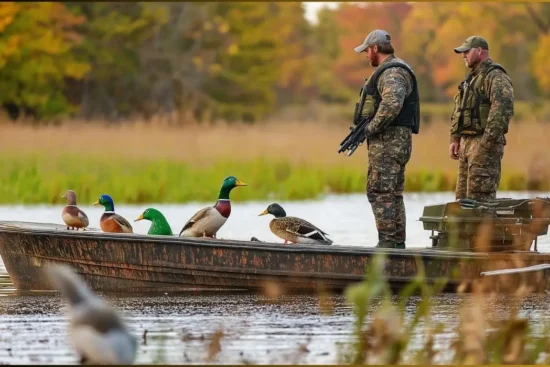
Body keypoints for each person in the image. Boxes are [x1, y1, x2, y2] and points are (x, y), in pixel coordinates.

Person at [353, 29, 420, 249]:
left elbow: (392, 104)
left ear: (374, 49)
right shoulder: (394, 69)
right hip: (395, 142)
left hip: (389, 142)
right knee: (391, 193)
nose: (366, 55)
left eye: (366, 51)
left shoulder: (391, 73)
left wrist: (370, 128)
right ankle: (395, 245)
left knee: (380, 191)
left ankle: (389, 245)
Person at [449, 36, 514, 202]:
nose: (463, 56)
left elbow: (501, 111)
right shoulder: (470, 80)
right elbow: (459, 110)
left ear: (479, 51)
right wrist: (455, 139)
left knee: (480, 202)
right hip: (466, 145)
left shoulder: (495, 76)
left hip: (484, 146)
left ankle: (485, 229)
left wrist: (485, 145)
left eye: (466, 51)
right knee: (462, 202)